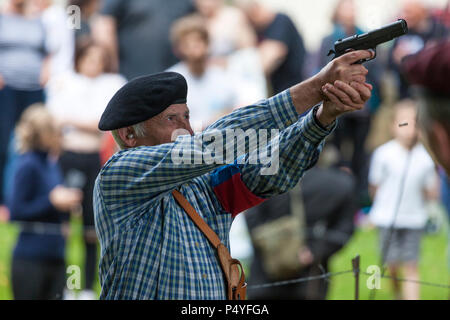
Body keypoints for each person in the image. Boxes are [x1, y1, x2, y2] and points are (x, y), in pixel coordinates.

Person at [93, 48, 374, 299]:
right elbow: (216, 145)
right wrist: (315, 88)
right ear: (129, 135)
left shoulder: (198, 181)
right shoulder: (119, 172)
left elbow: (271, 170)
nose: (187, 129)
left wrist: (321, 117)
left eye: (187, 116)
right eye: (171, 118)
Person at [46, 39, 126, 300]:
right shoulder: (65, 81)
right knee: (66, 226)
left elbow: (105, 123)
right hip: (69, 156)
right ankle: (68, 284)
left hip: (97, 158)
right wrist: (84, 123)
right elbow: (55, 119)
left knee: (93, 228)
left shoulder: (112, 83)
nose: (93, 64)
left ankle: (90, 288)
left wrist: (74, 121)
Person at [245, 161, 357, 300]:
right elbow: (344, 230)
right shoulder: (340, 184)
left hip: (265, 276)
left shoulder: (264, 178)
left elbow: (251, 217)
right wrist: (313, 251)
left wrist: (273, 245)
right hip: (309, 279)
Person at [8, 105, 82, 300]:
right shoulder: (27, 165)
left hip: (56, 255)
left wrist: (67, 208)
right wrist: (51, 202)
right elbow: (16, 211)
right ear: (43, 134)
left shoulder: (50, 164)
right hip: (31, 257)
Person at [368, 99, 438, 300]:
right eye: (404, 122)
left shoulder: (425, 158)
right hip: (387, 219)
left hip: (413, 220)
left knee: (411, 264)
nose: (410, 128)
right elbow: (375, 186)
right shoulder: (383, 154)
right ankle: (397, 291)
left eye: (415, 122)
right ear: (393, 126)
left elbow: (430, 190)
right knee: (392, 264)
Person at [0, 0, 50, 218]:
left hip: (34, 88)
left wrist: (46, 72)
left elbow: (50, 50)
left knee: (33, 144)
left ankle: (29, 195)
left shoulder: (41, 18)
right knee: (3, 143)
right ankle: (2, 202)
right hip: (6, 87)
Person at [168, 14, 241, 129]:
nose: (194, 46)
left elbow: (237, 110)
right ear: (178, 49)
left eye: (198, 40)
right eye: (187, 43)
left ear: (207, 43)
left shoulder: (224, 76)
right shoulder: (170, 82)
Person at [92, 0, 194, 79]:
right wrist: (112, 67)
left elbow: (197, 23)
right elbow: (104, 24)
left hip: (175, 77)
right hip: (131, 78)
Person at [237, 0, 307, 95]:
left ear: (255, 10)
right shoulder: (258, 30)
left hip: (297, 90)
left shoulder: (280, 21)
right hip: (282, 92)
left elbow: (261, 65)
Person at [388, 0, 448, 99]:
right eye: (403, 12)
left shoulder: (440, 31)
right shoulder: (401, 33)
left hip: (435, 96)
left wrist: (406, 59)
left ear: (423, 12)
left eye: (409, 12)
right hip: (407, 94)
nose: (404, 16)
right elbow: (390, 63)